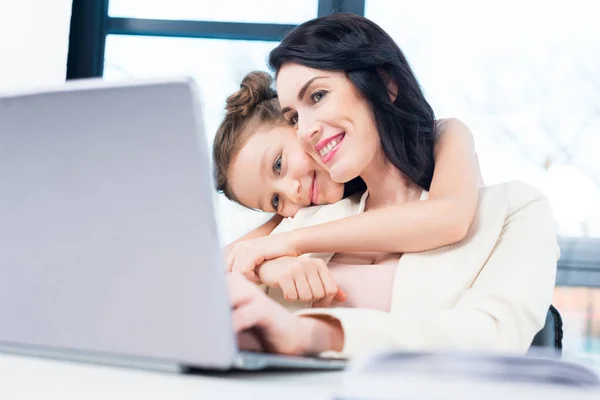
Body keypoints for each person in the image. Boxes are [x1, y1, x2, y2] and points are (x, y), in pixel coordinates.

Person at [224, 13, 558, 357]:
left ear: (385, 83)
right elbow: (219, 271)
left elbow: (493, 337)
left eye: (318, 96)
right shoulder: (307, 219)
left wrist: (316, 333)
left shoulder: (515, 211)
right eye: (293, 118)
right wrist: (271, 264)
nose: (304, 130)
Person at [214, 71, 483, 303]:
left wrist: (288, 245)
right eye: (274, 200)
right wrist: (270, 267)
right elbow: (223, 261)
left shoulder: (442, 136)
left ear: (299, 123)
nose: (290, 192)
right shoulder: (304, 209)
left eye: (278, 165)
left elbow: (449, 218)